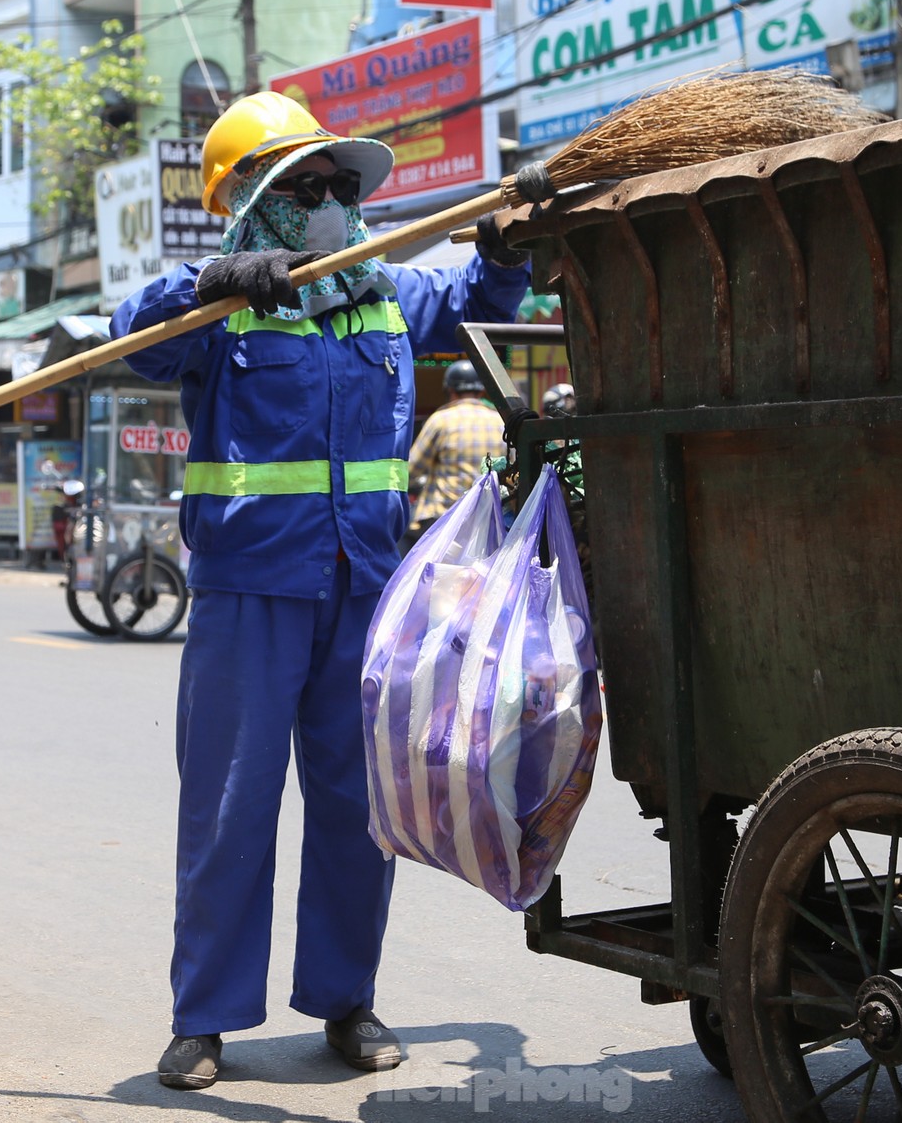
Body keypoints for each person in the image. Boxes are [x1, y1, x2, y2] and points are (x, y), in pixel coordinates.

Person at [108, 92, 530, 1092]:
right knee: (228, 809)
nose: (335, 197)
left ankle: (345, 1000)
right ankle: (203, 1019)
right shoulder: (221, 308)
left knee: (355, 811)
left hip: (364, 589)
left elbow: (486, 296)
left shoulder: (384, 295)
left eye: (342, 183)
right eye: (310, 184)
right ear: (259, 201)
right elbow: (132, 340)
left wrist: (506, 245)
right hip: (250, 587)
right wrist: (208, 282)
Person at [404, 360, 506, 552]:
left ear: (450, 390)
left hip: (442, 519)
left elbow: (411, 469)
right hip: (485, 521)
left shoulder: (441, 420)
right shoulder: (499, 421)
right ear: (481, 391)